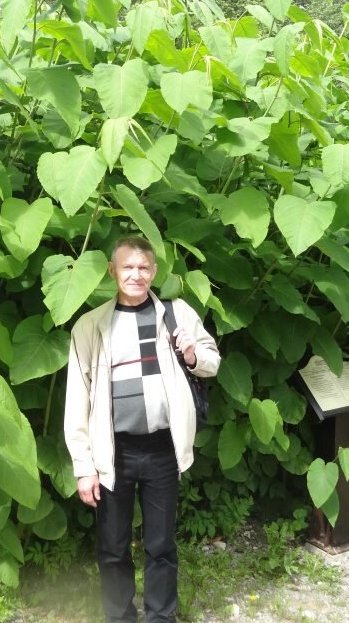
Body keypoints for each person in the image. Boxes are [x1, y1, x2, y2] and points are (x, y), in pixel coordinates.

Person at [64, 236, 221, 623]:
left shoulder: (177, 313)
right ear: (112, 271)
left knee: (161, 545)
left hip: (163, 449)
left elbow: (212, 362)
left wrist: (191, 353)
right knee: (113, 547)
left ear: (154, 272)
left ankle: (160, 617)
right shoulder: (90, 326)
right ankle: (120, 617)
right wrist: (84, 467)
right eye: (127, 267)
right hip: (112, 452)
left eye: (144, 268)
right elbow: (76, 402)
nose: (136, 275)